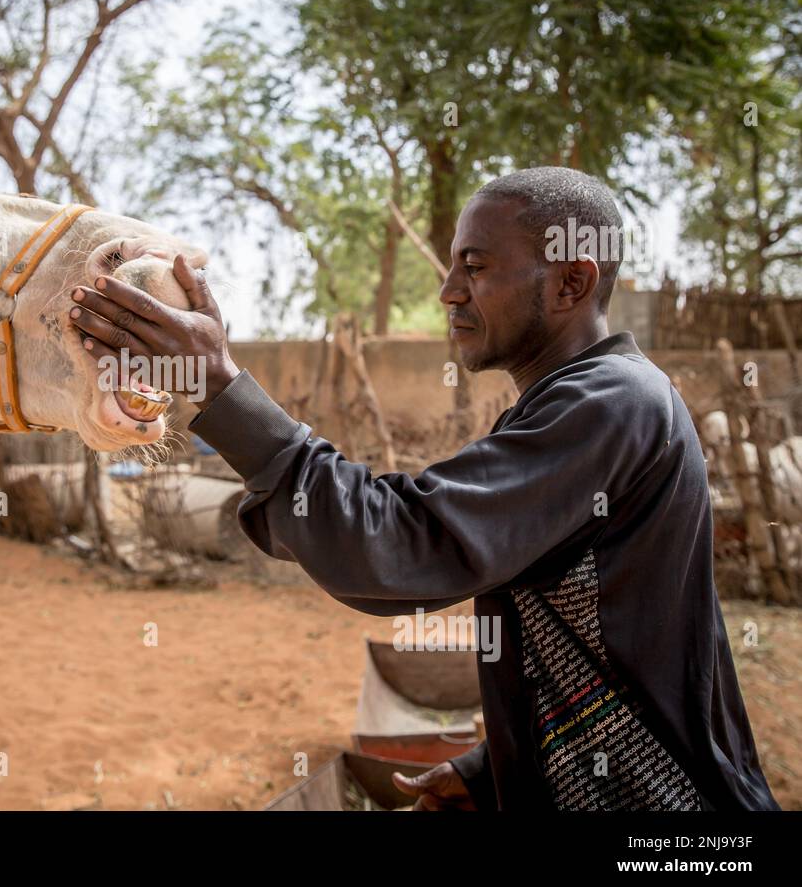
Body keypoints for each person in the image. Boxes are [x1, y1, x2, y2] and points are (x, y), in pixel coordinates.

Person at [66, 166, 779, 810]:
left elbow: (403, 546)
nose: (448, 291)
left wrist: (221, 385)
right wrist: (489, 770)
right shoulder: (580, 404)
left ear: (571, 282)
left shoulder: (608, 405)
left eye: (475, 267)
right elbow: (589, 647)